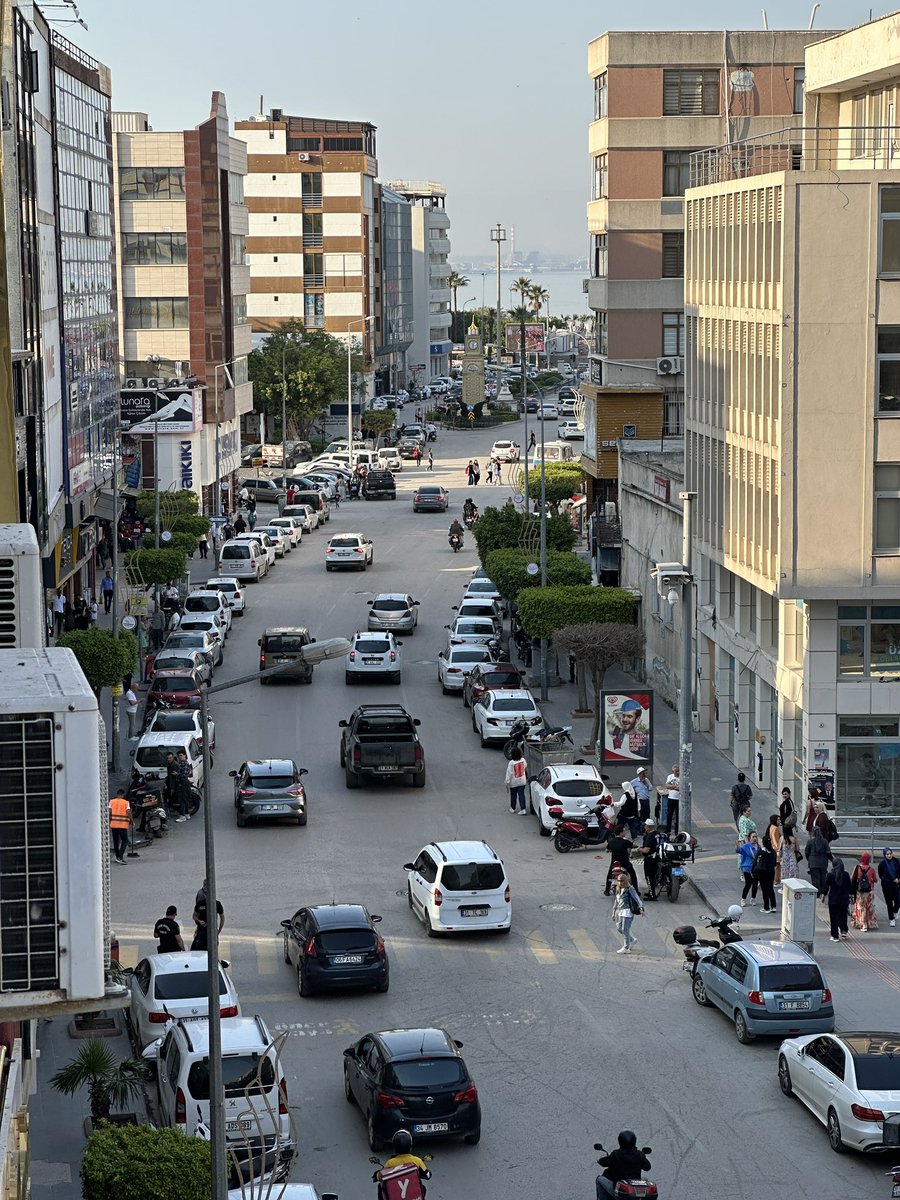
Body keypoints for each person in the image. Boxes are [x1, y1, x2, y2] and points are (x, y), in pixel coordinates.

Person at [596, 1132, 652, 1198]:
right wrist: (642, 1157)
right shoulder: (639, 1154)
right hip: (634, 1190)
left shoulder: (615, 1154)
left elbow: (602, 1162)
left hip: (618, 1190)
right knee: (645, 1179)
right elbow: (647, 1167)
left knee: (599, 1179)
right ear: (634, 1141)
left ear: (620, 1141)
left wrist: (601, 1160)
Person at [612, 871, 644, 953]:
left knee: (625, 929)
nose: (620, 882)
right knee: (619, 928)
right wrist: (614, 911)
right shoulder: (618, 889)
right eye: (618, 881)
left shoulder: (630, 889)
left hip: (628, 911)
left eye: (622, 881)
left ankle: (626, 947)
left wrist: (641, 908)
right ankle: (632, 940)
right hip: (620, 911)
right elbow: (616, 901)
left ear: (625, 881)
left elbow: (637, 898)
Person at [821, 858, 852, 941]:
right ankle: (844, 930)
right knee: (843, 915)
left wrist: (823, 895)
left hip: (833, 899)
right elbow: (850, 887)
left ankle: (835, 936)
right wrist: (851, 896)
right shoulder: (846, 875)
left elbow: (826, 887)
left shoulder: (830, 875)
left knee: (834, 918)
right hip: (844, 899)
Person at [192, 880, 225, 951]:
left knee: (213, 949)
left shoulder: (217, 904)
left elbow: (222, 917)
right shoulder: (200, 901)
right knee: (199, 949)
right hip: (201, 930)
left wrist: (219, 930)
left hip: (212, 930)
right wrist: (199, 921)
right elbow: (194, 915)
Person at [604, 825, 637, 894]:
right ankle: (636, 890)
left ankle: (607, 890)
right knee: (633, 874)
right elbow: (633, 846)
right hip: (624, 863)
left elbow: (606, 850)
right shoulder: (626, 842)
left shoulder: (611, 841)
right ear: (621, 832)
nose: (625, 832)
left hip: (614, 863)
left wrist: (612, 850)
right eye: (624, 831)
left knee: (609, 875)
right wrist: (635, 846)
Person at [850, 852, 878, 932]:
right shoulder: (871, 869)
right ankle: (869, 923)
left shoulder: (857, 868)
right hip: (869, 892)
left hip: (859, 892)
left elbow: (852, 878)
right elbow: (875, 880)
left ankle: (862, 924)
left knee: (860, 907)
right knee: (868, 907)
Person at [754, 831, 778, 914]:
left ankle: (766, 907)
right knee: (770, 888)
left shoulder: (761, 852)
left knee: (764, 890)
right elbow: (775, 863)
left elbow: (755, 861)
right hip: (771, 872)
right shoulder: (773, 852)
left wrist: (753, 871)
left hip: (763, 873)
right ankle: (773, 906)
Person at [804, 826, 833, 897]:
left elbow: (806, 852)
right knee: (823, 878)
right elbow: (828, 853)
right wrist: (832, 860)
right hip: (823, 863)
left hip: (813, 863)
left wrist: (809, 859)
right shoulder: (825, 841)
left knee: (815, 880)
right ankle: (823, 894)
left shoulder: (810, 841)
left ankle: (817, 894)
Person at [109, 787, 132, 865]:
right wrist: (131, 821)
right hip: (122, 825)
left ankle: (117, 856)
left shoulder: (111, 801)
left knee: (116, 841)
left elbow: (109, 812)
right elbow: (128, 812)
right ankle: (120, 857)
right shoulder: (126, 802)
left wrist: (109, 821)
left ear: (117, 794)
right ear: (123, 795)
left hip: (113, 825)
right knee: (124, 841)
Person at [878, 847, 900, 927]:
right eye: (887, 854)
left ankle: (895, 911)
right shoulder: (882, 863)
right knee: (889, 903)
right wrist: (887, 880)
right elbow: (880, 874)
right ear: (885, 855)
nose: (889, 855)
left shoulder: (896, 861)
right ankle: (891, 918)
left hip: (896, 884)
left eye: (890, 854)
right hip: (887, 885)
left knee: (898, 901)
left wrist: (898, 878)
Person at [737, 831, 760, 906]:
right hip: (747, 868)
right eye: (753, 837)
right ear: (749, 838)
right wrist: (737, 846)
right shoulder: (746, 846)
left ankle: (753, 898)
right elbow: (738, 851)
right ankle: (743, 899)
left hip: (756, 868)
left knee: (755, 884)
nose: (755, 838)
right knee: (748, 884)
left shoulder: (759, 847)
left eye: (756, 837)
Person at [640, 819, 661, 900]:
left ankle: (652, 895)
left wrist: (639, 849)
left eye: (645, 826)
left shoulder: (650, 836)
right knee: (653, 876)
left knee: (649, 877)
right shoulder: (657, 834)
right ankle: (650, 891)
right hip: (657, 857)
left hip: (650, 859)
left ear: (648, 827)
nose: (644, 827)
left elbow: (646, 850)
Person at [505, 748, 527, 814]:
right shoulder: (523, 760)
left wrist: (507, 781)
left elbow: (509, 773)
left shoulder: (511, 763)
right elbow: (525, 766)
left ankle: (512, 808)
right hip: (522, 781)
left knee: (513, 795)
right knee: (521, 794)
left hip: (514, 782)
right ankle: (523, 809)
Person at [663, 764, 681, 837]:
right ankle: (668, 830)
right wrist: (675, 787)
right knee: (669, 814)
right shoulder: (670, 777)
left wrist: (671, 786)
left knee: (677, 815)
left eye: (678, 771)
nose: (677, 773)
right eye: (676, 771)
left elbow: (681, 788)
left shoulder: (682, 777)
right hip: (671, 797)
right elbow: (667, 786)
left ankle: (677, 830)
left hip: (679, 799)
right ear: (672, 771)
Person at [174, 750, 192, 822]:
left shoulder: (185, 764)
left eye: (181, 755)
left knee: (181, 800)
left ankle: (182, 816)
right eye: (179, 756)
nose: (180, 757)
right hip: (183, 783)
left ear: (185, 755)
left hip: (183, 783)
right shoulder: (181, 763)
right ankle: (187, 814)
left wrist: (177, 774)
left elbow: (184, 775)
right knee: (185, 799)